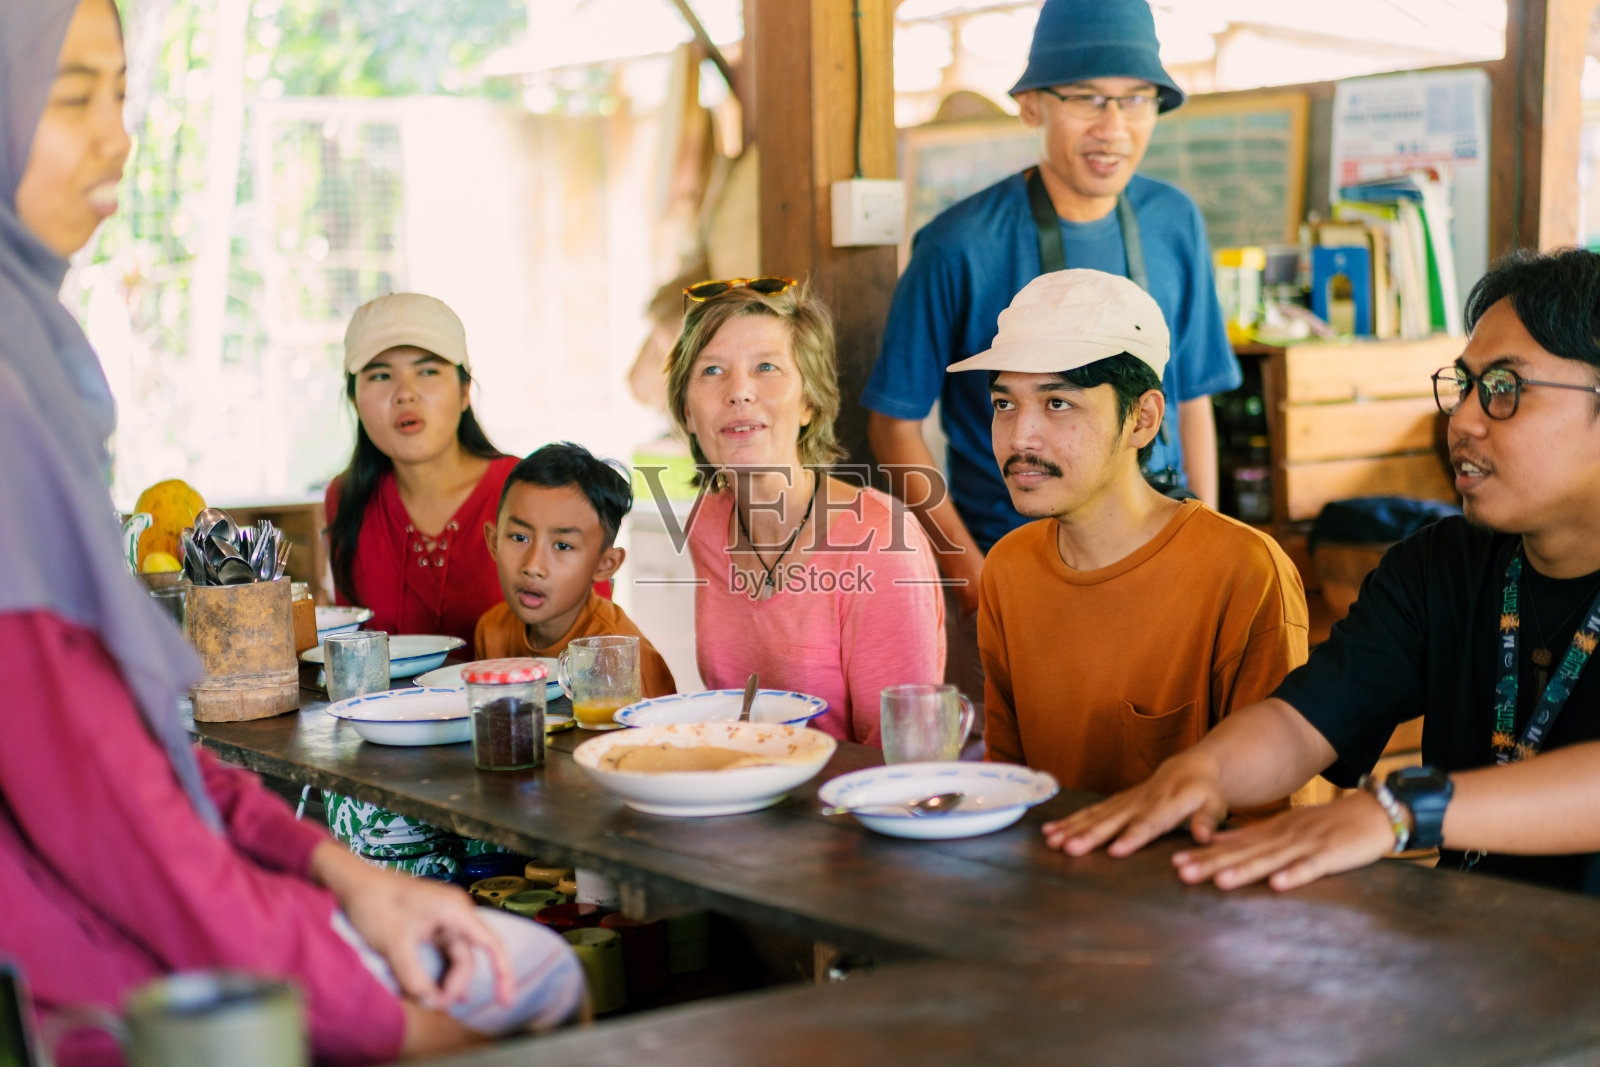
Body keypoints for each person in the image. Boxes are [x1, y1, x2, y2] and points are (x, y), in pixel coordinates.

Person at [0, 3, 582, 1064]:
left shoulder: (30, 352)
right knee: (543, 979)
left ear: (465, 386)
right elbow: (115, 811)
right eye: (74, 95)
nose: (119, 138)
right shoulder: (17, 407)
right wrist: (375, 1014)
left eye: (122, 94)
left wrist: (344, 880)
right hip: (88, 987)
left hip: (479, 776)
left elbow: (139, 763)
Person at [1044, 248, 1600, 898]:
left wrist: (1396, 810)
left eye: (1504, 388)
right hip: (1475, 939)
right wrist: (1202, 773)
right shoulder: (1441, 564)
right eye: (1465, 385)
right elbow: (1303, 720)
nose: (1464, 419)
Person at [862, 0, 1239, 699]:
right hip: (1012, 568)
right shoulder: (956, 243)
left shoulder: (1175, 221)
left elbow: (1192, 401)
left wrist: (1208, 549)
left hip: (1164, 565)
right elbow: (893, 426)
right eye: (1087, 98)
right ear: (1032, 105)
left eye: (1136, 99)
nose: (1113, 127)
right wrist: (972, 579)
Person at [958, 270, 1307, 795]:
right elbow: (1007, 782)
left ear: (1142, 419)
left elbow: (1277, 814)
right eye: (1005, 404)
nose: (1020, 437)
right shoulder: (1009, 568)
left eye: (1058, 403)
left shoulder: (1244, 571)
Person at [665, 278, 946, 744]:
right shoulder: (707, 523)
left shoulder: (880, 542)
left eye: (766, 367)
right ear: (688, 414)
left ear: (809, 403)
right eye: (712, 370)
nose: (739, 392)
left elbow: (905, 752)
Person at [476, 441, 676, 696]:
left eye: (562, 546)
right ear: (493, 542)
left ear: (605, 565)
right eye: (519, 538)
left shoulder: (617, 655)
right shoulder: (491, 631)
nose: (533, 566)